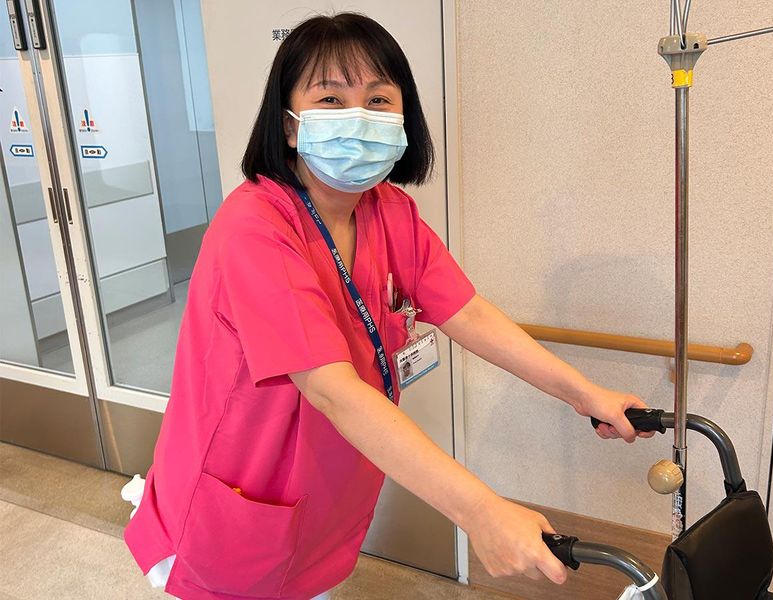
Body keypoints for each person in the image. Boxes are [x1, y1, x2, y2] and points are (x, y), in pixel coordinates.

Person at [123, 12, 652, 600]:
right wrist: (480, 511)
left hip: (324, 489)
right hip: (239, 494)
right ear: (290, 126)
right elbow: (332, 389)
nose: (359, 117)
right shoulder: (255, 228)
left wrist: (584, 394)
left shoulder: (387, 210)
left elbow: (468, 313)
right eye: (331, 99)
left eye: (378, 99)